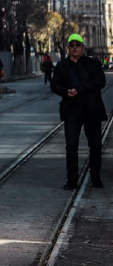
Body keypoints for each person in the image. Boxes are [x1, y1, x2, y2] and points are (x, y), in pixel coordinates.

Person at [50, 33, 106, 190]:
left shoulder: (92, 63)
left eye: (77, 45)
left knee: (95, 145)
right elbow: (55, 85)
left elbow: (100, 81)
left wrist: (79, 89)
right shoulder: (62, 66)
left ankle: (95, 177)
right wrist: (66, 91)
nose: (74, 47)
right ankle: (71, 180)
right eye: (71, 45)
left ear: (83, 47)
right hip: (71, 110)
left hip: (91, 109)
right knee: (71, 145)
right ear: (68, 48)